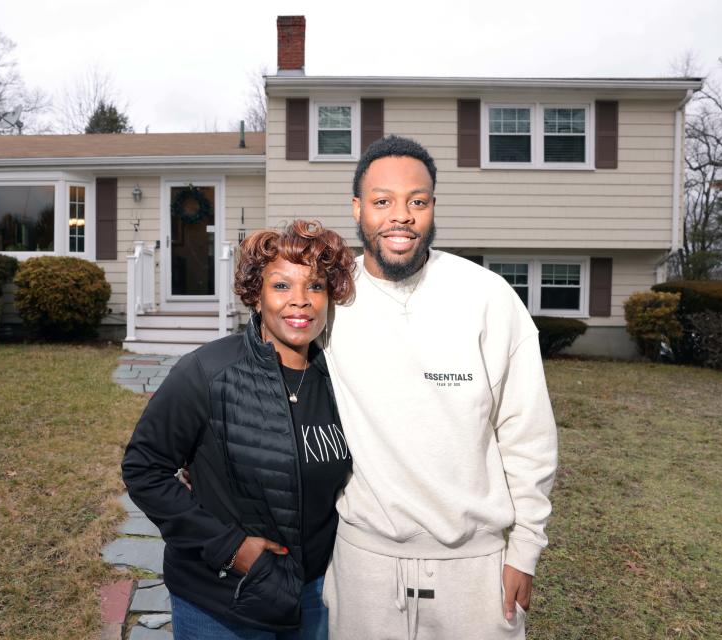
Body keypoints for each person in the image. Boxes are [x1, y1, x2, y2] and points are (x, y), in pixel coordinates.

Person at [320, 135, 559, 640]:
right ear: (358, 208)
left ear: (432, 207)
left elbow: (527, 433)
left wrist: (525, 551)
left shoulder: (487, 297)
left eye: (417, 201)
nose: (400, 216)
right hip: (365, 562)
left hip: (475, 568)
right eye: (383, 201)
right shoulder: (328, 301)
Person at [121, 220, 356, 640]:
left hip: (317, 596)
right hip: (223, 600)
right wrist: (232, 549)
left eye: (315, 286)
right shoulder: (206, 371)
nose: (300, 302)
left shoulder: (341, 382)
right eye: (282, 286)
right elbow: (144, 469)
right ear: (256, 293)